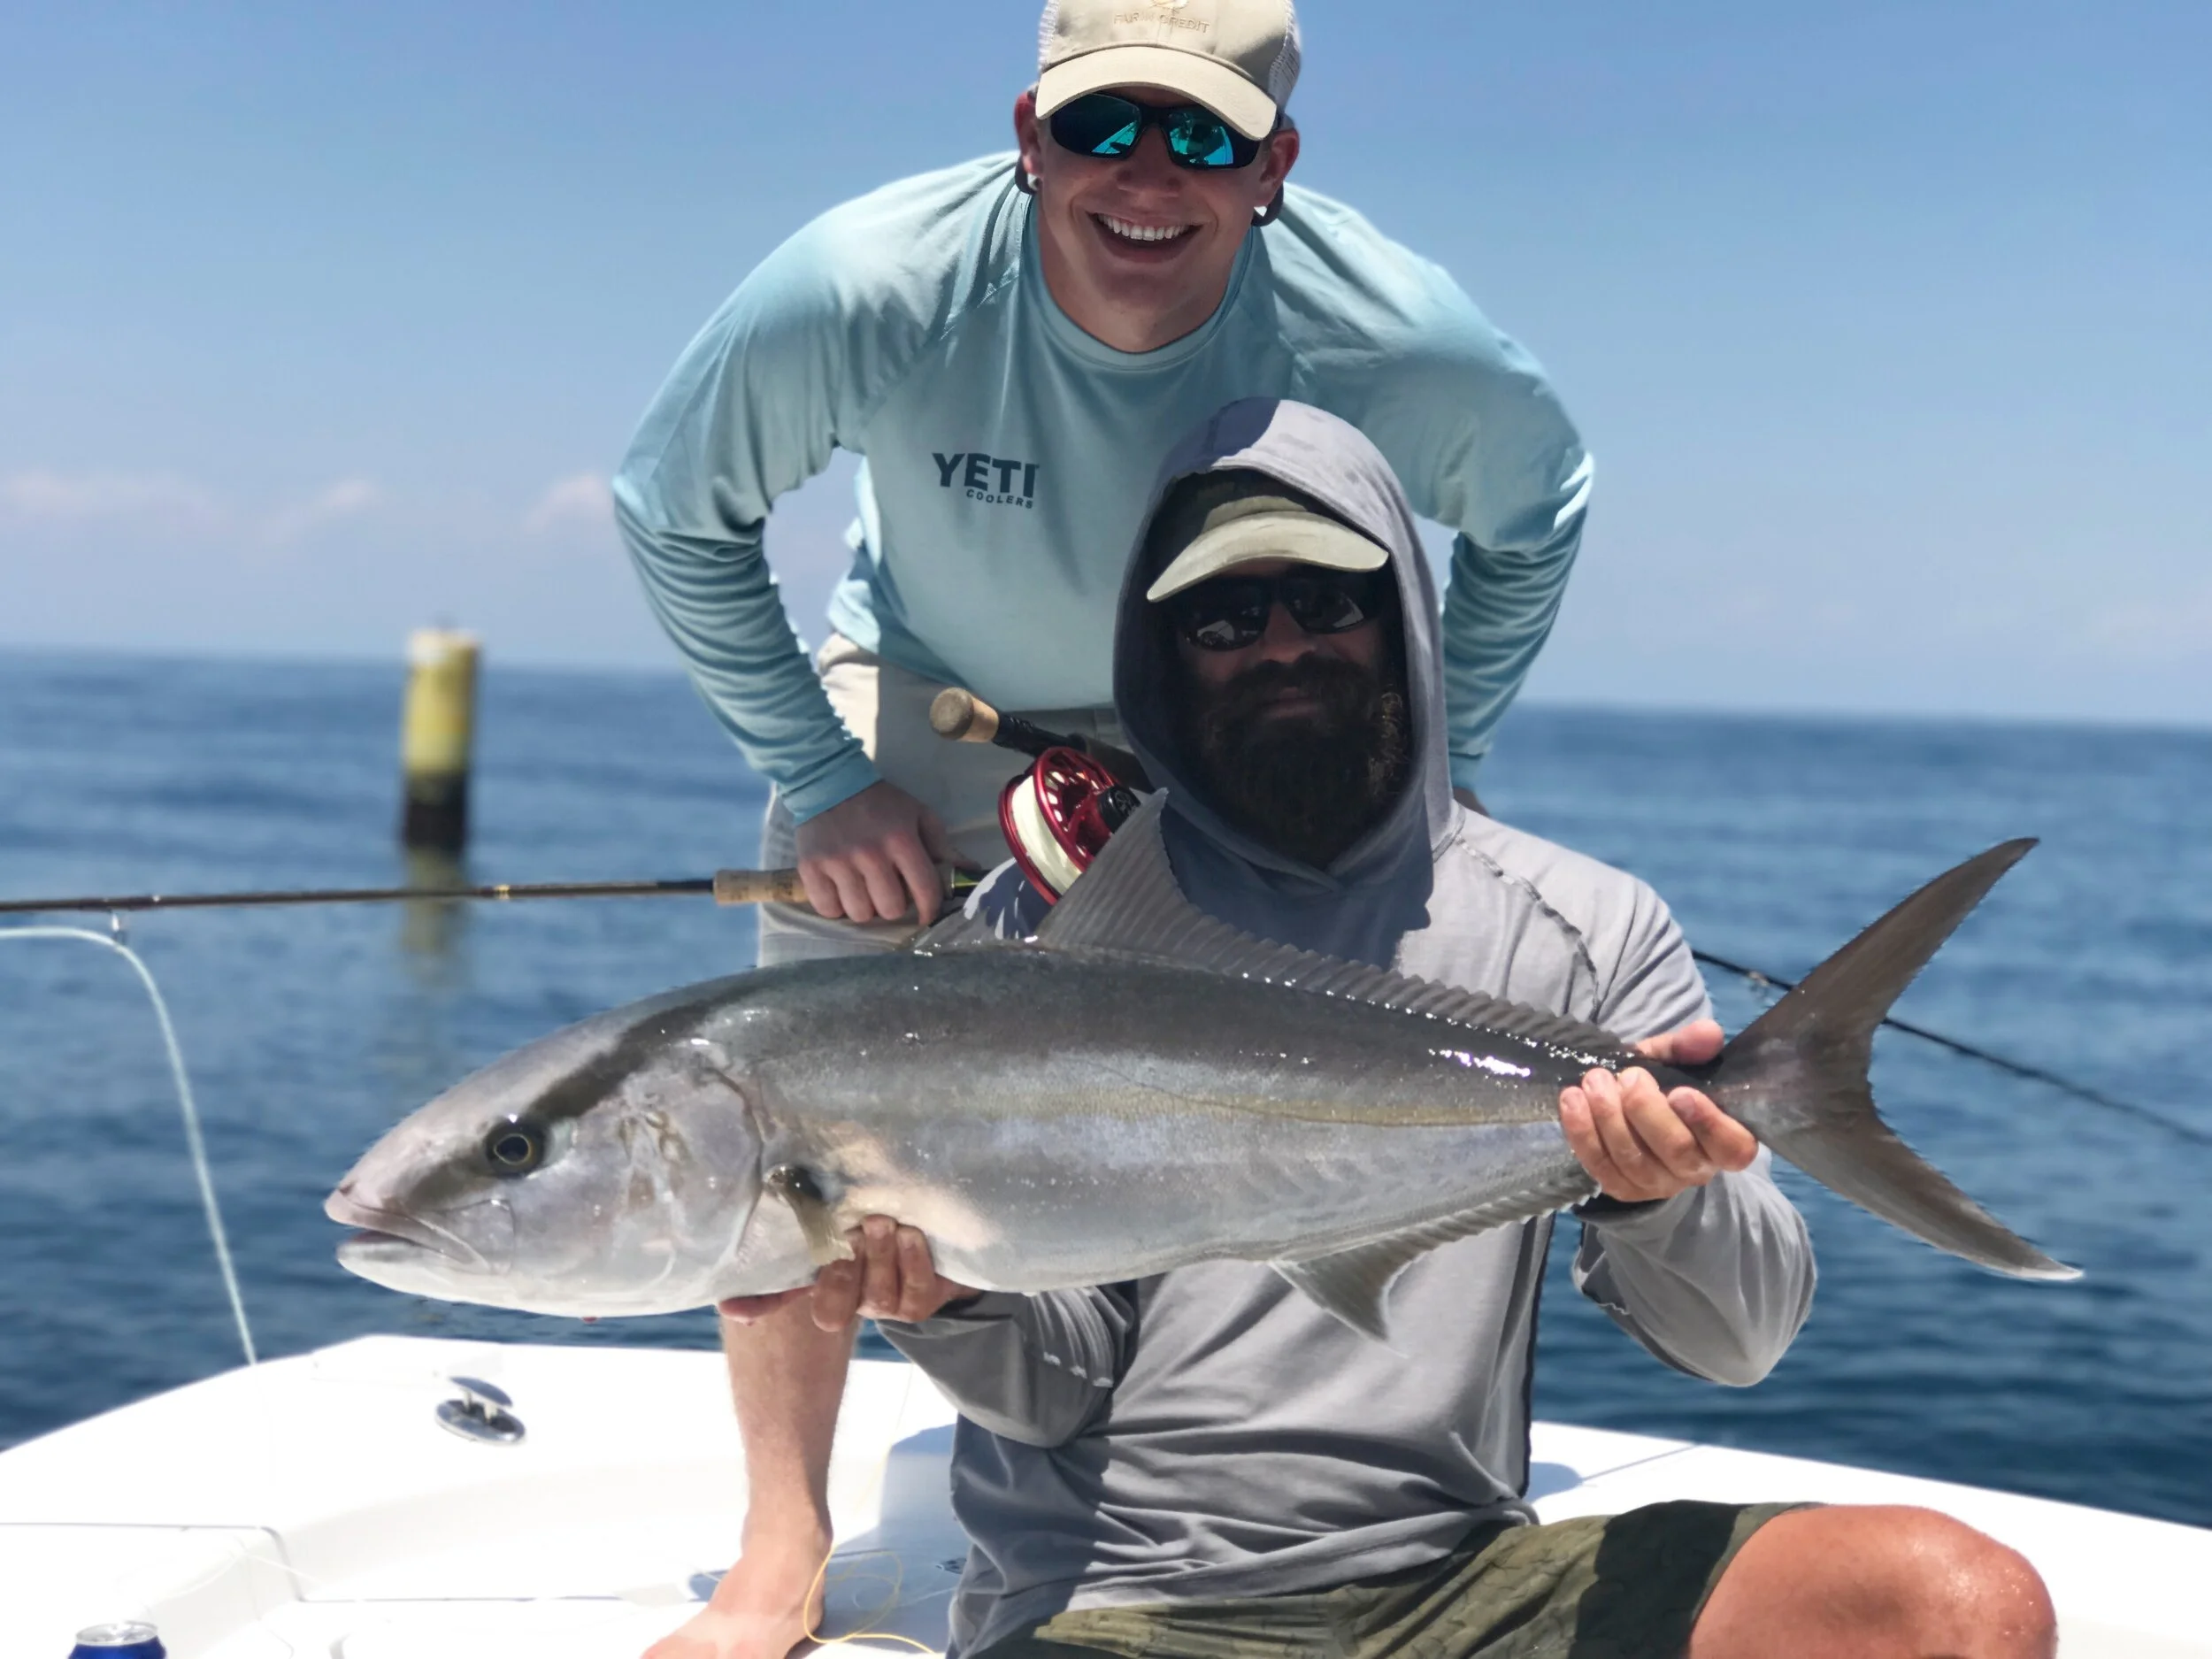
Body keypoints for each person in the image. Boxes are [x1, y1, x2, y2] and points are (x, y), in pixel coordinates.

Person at [770, 400, 2059, 1659]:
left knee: (1950, 1605)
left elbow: (1741, 1338)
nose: (1283, 646)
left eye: (1327, 600)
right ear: (1164, 656)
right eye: (1225, 619)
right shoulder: (1045, 927)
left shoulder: (1585, 929)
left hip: (1461, 1586)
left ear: (1404, 619)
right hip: (1119, 1600)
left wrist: (1654, 1196)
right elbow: (1055, 1391)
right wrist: (949, 1301)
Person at [622, 5, 1594, 1653]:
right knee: (785, 1130)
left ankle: (1229, 1500)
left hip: (1218, 711)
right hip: (927, 700)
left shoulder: (1392, 332)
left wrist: (1443, 762)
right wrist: (821, 772)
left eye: (1205, 137)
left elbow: (1539, 505)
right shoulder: (870, 285)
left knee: (1263, 1096)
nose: (1148, 175)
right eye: (1102, 127)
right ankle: (780, 1532)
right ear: (1030, 134)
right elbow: (672, 507)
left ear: (1276, 166)